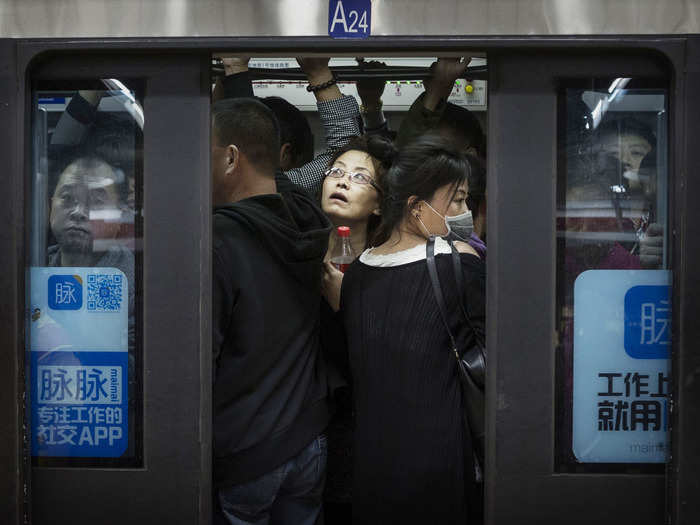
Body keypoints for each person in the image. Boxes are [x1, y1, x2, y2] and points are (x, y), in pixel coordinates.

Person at [339, 136, 485, 524]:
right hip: (439, 457)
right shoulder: (458, 264)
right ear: (417, 208)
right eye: (456, 200)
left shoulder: (357, 272)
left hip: (372, 458)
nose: (464, 211)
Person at [211, 97, 333, 525]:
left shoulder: (218, 238)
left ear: (230, 158)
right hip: (307, 437)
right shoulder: (306, 216)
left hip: (246, 446)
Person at [316, 134, 396, 525]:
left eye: (360, 177)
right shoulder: (298, 254)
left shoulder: (389, 269)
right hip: (300, 426)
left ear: (380, 203)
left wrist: (343, 308)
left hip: (361, 427)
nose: (343, 181)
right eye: (336, 172)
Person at [213, 57, 362, 195]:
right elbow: (343, 151)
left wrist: (230, 71)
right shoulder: (281, 190)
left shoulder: (206, 182)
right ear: (284, 154)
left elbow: (207, 126)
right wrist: (318, 72)